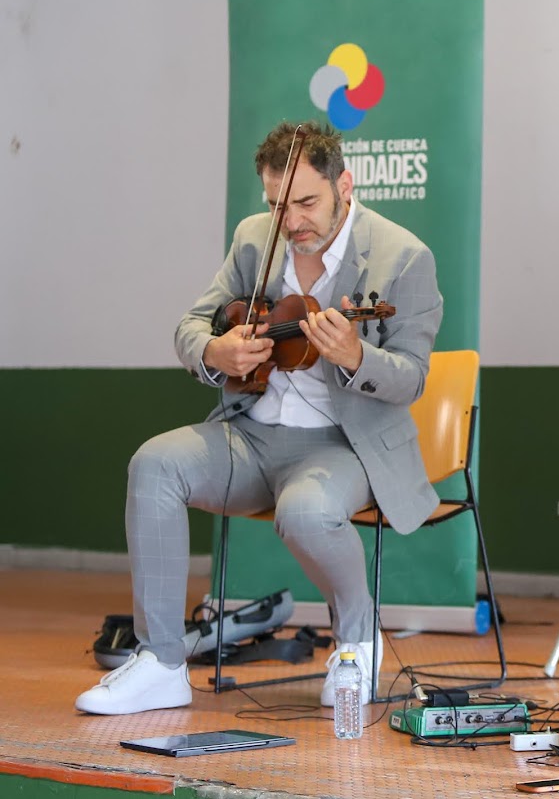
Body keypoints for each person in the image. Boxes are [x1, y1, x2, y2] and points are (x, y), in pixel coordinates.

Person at [75, 121, 443, 715]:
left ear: (344, 185)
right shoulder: (255, 239)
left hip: (344, 445)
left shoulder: (404, 257)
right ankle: (163, 662)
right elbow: (191, 326)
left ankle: (357, 641)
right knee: (153, 465)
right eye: (277, 205)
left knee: (305, 512)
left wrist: (355, 355)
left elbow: (412, 376)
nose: (291, 221)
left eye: (305, 202)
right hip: (250, 434)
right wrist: (215, 353)